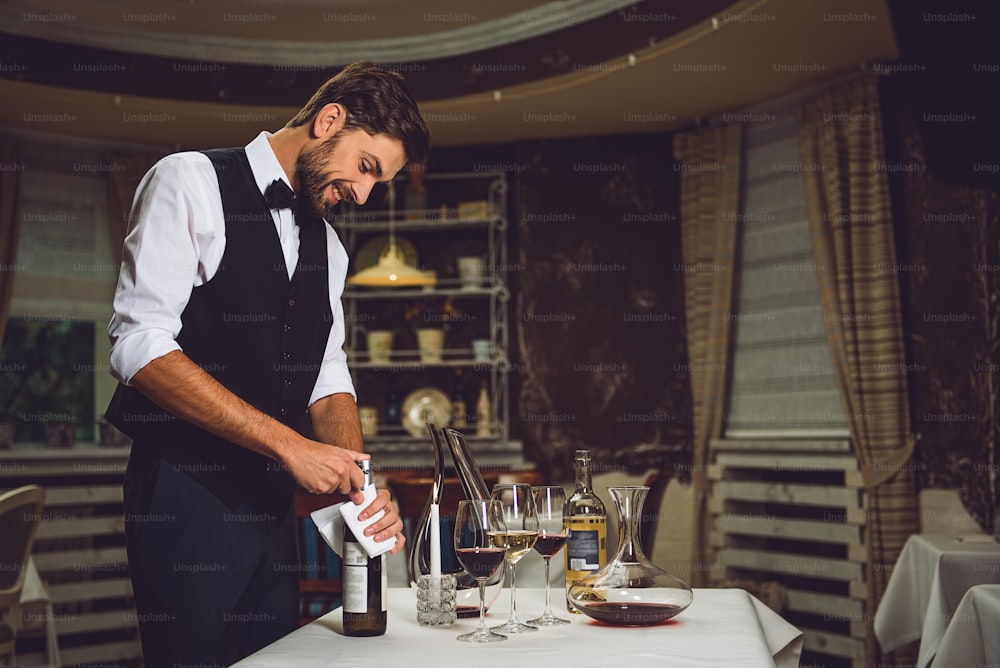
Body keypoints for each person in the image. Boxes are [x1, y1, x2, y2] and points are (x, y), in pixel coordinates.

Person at [105, 62, 430, 667]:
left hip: (272, 510)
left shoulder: (328, 245)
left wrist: (359, 485)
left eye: (377, 183)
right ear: (329, 121)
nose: (362, 195)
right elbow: (138, 343)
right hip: (185, 494)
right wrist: (289, 447)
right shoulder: (189, 180)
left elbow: (326, 374)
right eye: (365, 168)